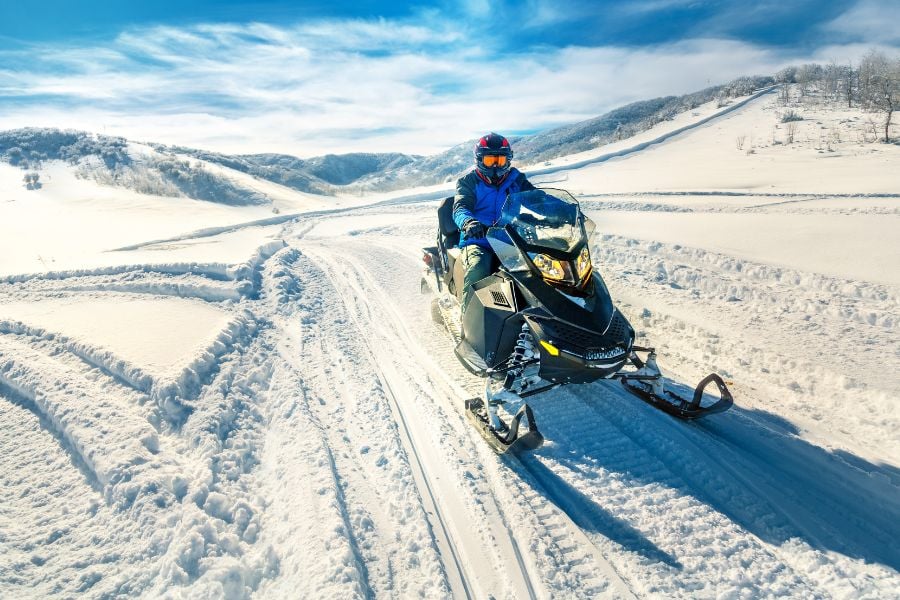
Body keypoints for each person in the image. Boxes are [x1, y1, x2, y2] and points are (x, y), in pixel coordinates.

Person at [453, 132, 535, 314]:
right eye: (491, 161)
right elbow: (460, 207)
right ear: (480, 160)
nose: (497, 166)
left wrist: (560, 212)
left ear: (509, 159)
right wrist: (469, 222)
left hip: (510, 239)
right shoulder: (468, 182)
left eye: (501, 160)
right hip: (478, 240)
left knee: (540, 269)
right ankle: (468, 323)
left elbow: (538, 200)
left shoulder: (517, 180)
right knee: (478, 269)